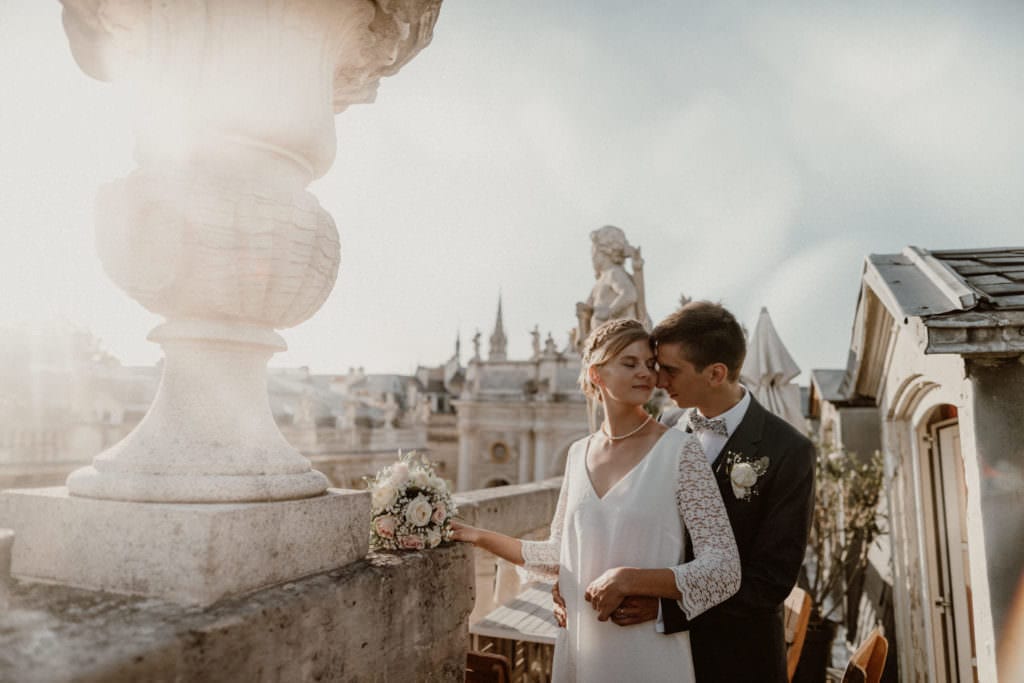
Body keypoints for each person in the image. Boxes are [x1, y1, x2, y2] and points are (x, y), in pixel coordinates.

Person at [451, 318, 740, 682]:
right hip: (580, 649)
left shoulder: (681, 452)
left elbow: (724, 568)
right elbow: (560, 553)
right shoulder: (577, 454)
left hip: (648, 652)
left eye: (650, 365)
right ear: (596, 373)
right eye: (629, 363)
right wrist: (479, 537)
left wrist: (631, 579)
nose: (646, 374)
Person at [587, 301, 815, 683]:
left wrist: (665, 609)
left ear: (716, 373)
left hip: (734, 658)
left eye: (671, 370)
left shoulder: (788, 451)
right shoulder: (666, 425)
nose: (658, 381)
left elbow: (770, 582)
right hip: (650, 652)